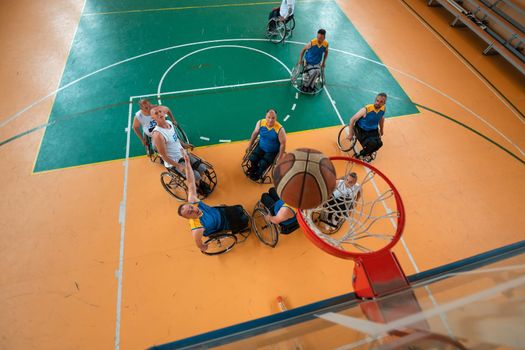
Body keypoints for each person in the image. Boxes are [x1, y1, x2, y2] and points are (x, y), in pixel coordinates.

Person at [177, 150, 250, 252]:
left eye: (191, 207)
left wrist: (187, 162)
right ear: (188, 218)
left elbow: (190, 182)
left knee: (239, 208)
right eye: (190, 212)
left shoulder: (193, 201)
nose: (193, 209)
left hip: (220, 211)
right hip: (224, 224)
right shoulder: (197, 228)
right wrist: (203, 247)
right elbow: (199, 244)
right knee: (244, 220)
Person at [150, 106, 210, 195]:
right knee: (196, 175)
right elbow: (164, 156)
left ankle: (199, 182)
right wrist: (178, 166)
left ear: (163, 113)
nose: (159, 114)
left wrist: (185, 145)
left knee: (202, 168)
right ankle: (197, 187)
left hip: (183, 154)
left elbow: (176, 139)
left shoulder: (169, 123)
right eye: (156, 113)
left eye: (160, 111)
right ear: (153, 118)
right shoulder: (158, 135)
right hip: (174, 162)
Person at [246, 109, 286, 181]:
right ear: (266, 116)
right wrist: (250, 145)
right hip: (261, 146)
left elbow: (283, 144)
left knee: (263, 163)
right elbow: (255, 133)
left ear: (276, 118)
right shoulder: (260, 123)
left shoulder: (280, 129)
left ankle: (259, 173)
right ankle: (254, 169)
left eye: (273, 118)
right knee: (252, 158)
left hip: (272, 151)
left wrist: (280, 158)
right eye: (269, 117)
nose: (270, 120)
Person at [346, 93, 387, 160]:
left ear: (384, 103)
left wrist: (381, 130)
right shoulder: (367, 109)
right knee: (372, 144)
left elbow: (381, 118)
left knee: (379, 143)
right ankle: (360, 155)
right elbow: (352, 119)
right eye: (377, 100)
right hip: (362, 129)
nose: (378, 103)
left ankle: (367, 153)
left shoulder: (383, 109)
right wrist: (350, 134)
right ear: (375, 100)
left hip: (373, 129)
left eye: (381, 102)